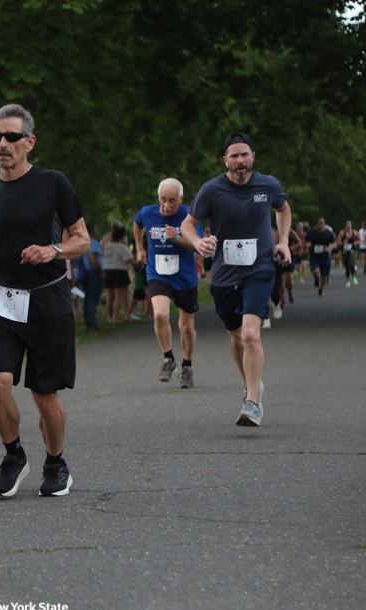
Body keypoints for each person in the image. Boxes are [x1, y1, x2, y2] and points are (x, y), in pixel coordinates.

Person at [0, 103, 90, 497]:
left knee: (44, 397)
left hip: (47, 301)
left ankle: (56, 462)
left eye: (11, 136)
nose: (2, 143)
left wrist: (53, 250)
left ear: (29, 142)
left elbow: (82, 239)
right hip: (2, 301)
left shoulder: (53, 183)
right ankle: (13, 455)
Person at [178, 132, 291, 426]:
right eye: (234, 156)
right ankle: (251, 385)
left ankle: (252, 402)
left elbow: (283, 208)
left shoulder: (268, 185)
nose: (240, 160)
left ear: (253, 156)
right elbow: (188, 224)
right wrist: (198, 242)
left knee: (250, 334)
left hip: (260, 268)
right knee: (236, 338)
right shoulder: (211, 190)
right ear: (225, 160)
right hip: (224, 275)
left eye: (245, 154)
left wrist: (284, 242)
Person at [134, 177, 201, 387]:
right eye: (163, 199)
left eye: (172, 200)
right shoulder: (147, 213)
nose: (167, 205)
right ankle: (168, 358)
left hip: (185, 276)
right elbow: (137, 224)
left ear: (181, 199)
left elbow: (198, 246)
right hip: (158, 272)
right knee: (160, 314)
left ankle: (187, 365)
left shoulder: (190, 216)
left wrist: (177, 238)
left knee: (186, 327)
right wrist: (139, 248)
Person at [102, 224, 134, 325]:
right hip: (119, 271)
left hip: (107, 269)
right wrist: (137, 263)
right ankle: (115, 317)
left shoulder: (108, 246)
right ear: (122, 236)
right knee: (118, 296)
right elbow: (129, 260)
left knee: (109, 295)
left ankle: (110, 316)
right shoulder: (122, 247)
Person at [79, 221, 103, 332]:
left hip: (86, 273)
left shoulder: (83, 242)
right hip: (93, 273)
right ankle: (92, 325)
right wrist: (100, 271)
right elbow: (93, 258)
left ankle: (88, 323)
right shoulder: (93, 242)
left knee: (88, 299)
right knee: (93, 299)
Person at [306, 217, 336, 296]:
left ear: (324, 224)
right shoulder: (312, 232)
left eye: (322, 223)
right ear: (316, 224)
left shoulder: (328, 233)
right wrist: (306, 245)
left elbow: (334, 243)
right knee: (315, 271)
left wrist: (329, 248)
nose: (320, 224)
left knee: (324, 276)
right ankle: (316, 278)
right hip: (314, 256)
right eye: (319, 223)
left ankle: (321, 289)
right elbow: (305, 241)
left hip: (325, 257)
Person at [337, 220, 360, 288]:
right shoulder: (342, 233)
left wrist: (356, 243)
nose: (348, 226)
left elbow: (360, 240)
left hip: (353, 251)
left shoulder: (355, 232)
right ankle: (350, 279)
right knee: (347, 266)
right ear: (345, 225)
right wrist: (343, 242)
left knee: (351, 263)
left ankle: (350, 279)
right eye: (347, 224)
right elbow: (338, 243)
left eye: (349, 224)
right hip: (345, 251)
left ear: (351, 225)